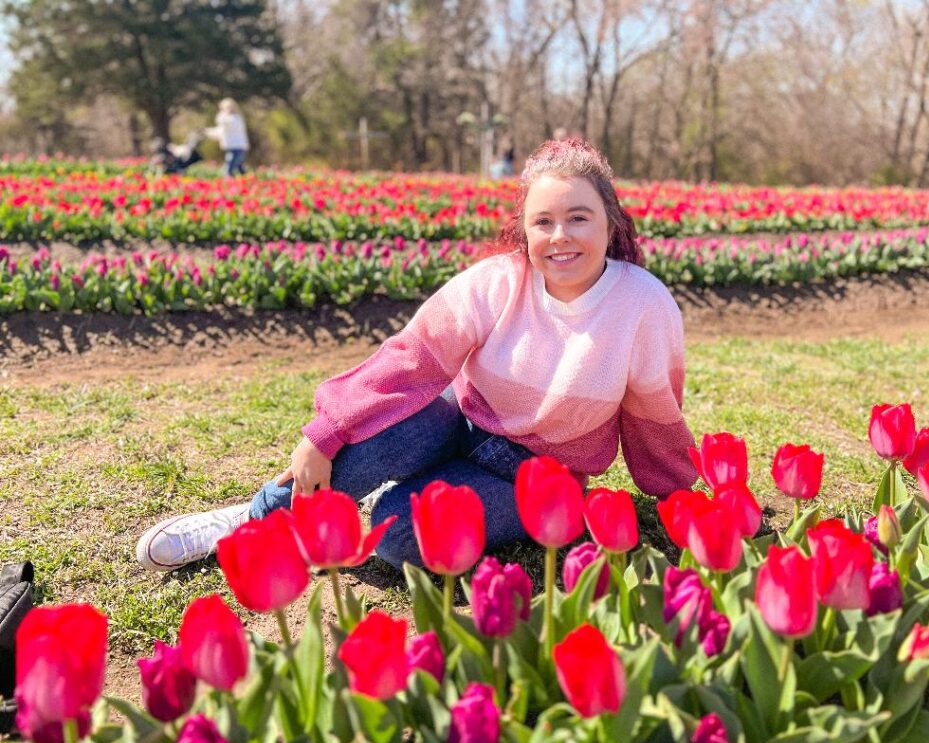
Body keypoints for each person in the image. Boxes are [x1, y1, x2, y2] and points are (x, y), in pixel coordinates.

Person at [135, 138, 698, 573]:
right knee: (381, 424)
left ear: (610, 221)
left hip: (538, 478)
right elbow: (412, 359)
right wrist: (324, 433)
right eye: (543, 222)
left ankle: (399, 499)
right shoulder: (499, 281)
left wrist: (675, 498)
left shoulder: (642, 305)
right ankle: (257, 521)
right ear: (524, 231)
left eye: (578, 217)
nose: (560, 236)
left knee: (397, 533)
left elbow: (654, 414)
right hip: (463, 425)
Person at [206, 98, 249, 177]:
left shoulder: (233, 118)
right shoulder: (233, 118)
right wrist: (206, 132)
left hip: (236, 148)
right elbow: (220, 131)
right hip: (236, 147)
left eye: (223, 109)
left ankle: (229, 180)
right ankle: (247, 180)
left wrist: (222, 114)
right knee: (240, 169)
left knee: (229, 169)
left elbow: (221, 123)